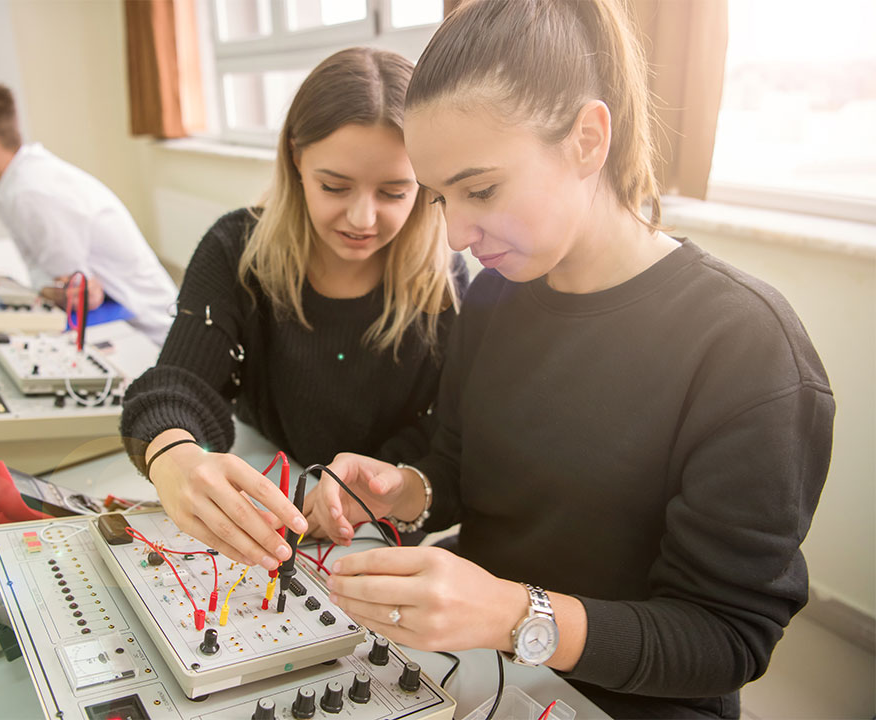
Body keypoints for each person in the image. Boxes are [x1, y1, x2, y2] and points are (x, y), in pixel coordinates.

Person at [302, 2, 836, 718]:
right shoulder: (495, 297)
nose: (456, 232)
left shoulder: (746, 347)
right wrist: (407, 488)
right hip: (482, 673)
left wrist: (516, 615)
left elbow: (727, 636)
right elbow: (458, 470)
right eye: (438, 199)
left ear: (588, 139)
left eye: (480, 189)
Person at [120, 47, 468, 570]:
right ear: (295, 159)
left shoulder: (445, 280)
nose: (362, 217)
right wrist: (172, 455)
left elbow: (447, 435)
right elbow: (175, 386)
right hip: (269, 482)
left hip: (375, 519)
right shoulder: (236, 250)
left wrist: (377, 486)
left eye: (395, 192)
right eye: (334, 186)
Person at [0, 81, 178, 344]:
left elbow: (78, 298)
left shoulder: (31, 193)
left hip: (150, 336)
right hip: (122, 319)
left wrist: (45, 292)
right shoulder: (11, 184)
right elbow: (46, 278)